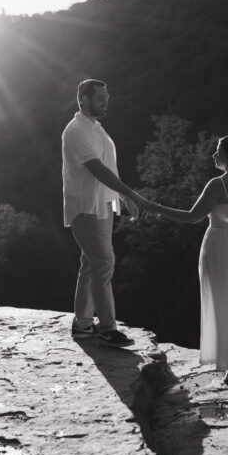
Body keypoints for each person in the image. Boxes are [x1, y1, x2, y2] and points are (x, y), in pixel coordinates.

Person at [144, 134, 228, 384]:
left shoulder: (218, 185)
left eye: (218, 151)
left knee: (222, 301)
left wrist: (155, 207)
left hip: (221, 245)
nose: (214, 155)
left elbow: (192, 217)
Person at [62, 79, 146, 348]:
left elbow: (108, 167)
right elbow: (97, 169)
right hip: (86, 207)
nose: (105, 103)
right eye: (100, 98)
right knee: (103, 262)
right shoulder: (76, 130)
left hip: (102, 205)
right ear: (84, 99)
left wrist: (121, 195)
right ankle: (107, 328)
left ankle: (83, 324)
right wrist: (131, 193)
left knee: (92, 263)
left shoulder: (96, 128)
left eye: (107, 98)